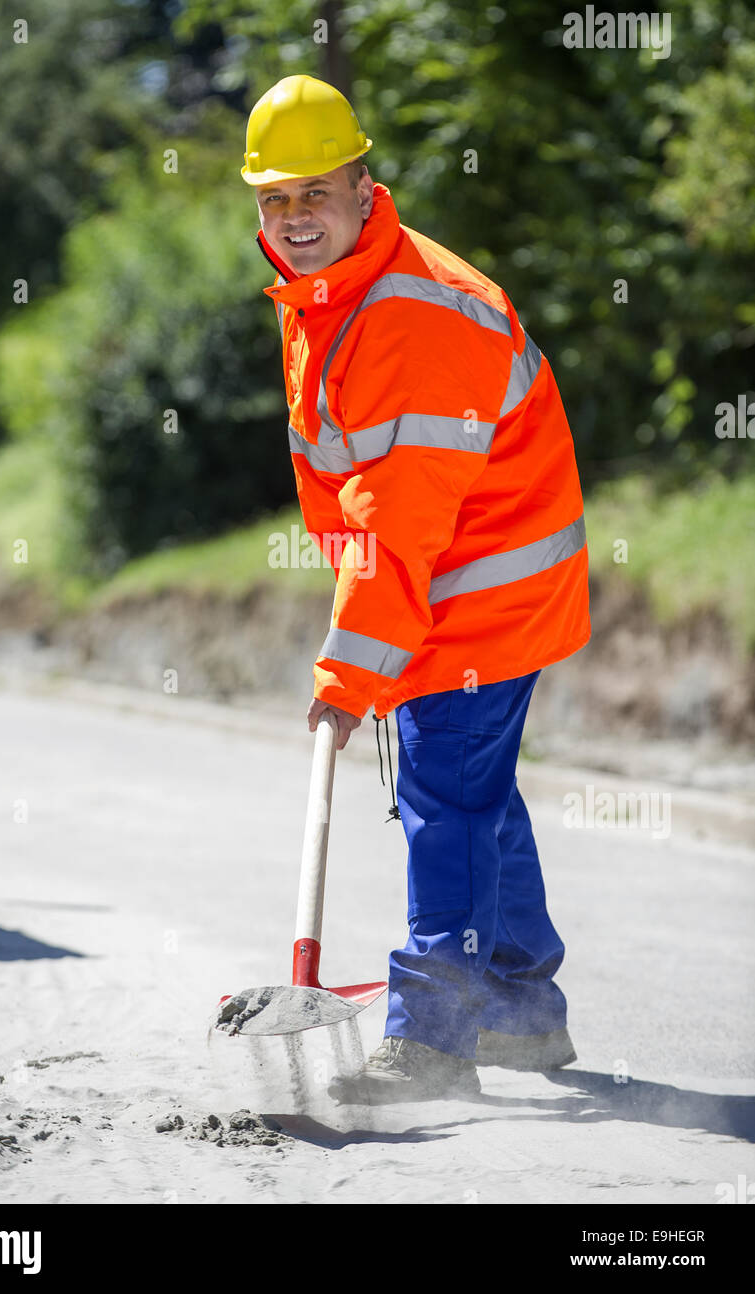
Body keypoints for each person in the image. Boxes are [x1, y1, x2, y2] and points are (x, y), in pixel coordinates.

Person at [240, 74, 591, 1103]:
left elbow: (403, 523)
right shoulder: (327, 291)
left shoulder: (407, 314)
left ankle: (434, 1041)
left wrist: (350, 672)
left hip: (479, 584)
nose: (294, 216)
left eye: (314, 191)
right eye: (274, 198)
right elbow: (356, 495)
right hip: (437, 573)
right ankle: (523, 1006)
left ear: (362, 184)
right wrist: (362, 618)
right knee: (475, 791)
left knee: (446, 798)